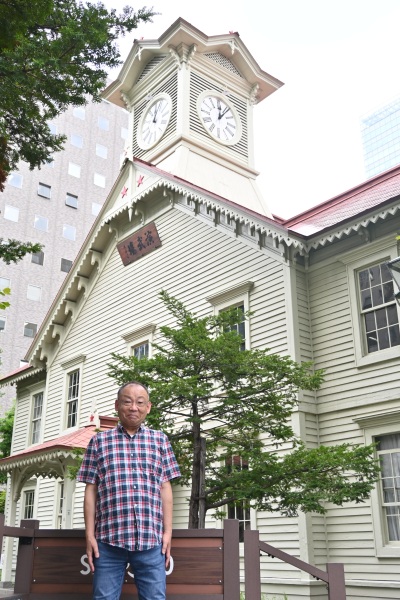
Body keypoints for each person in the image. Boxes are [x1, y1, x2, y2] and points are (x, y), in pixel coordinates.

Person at [77, 381, 181, 600]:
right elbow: (90, 490)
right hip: (107, 541)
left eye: (140, 402)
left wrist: (168, 532)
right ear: (117, 405)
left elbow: (165, 488)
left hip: (151, 541)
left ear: (148, 407)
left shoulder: (160, 440)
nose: (133, 407)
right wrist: (89, 535)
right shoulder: (99, 442)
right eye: (127, 402)